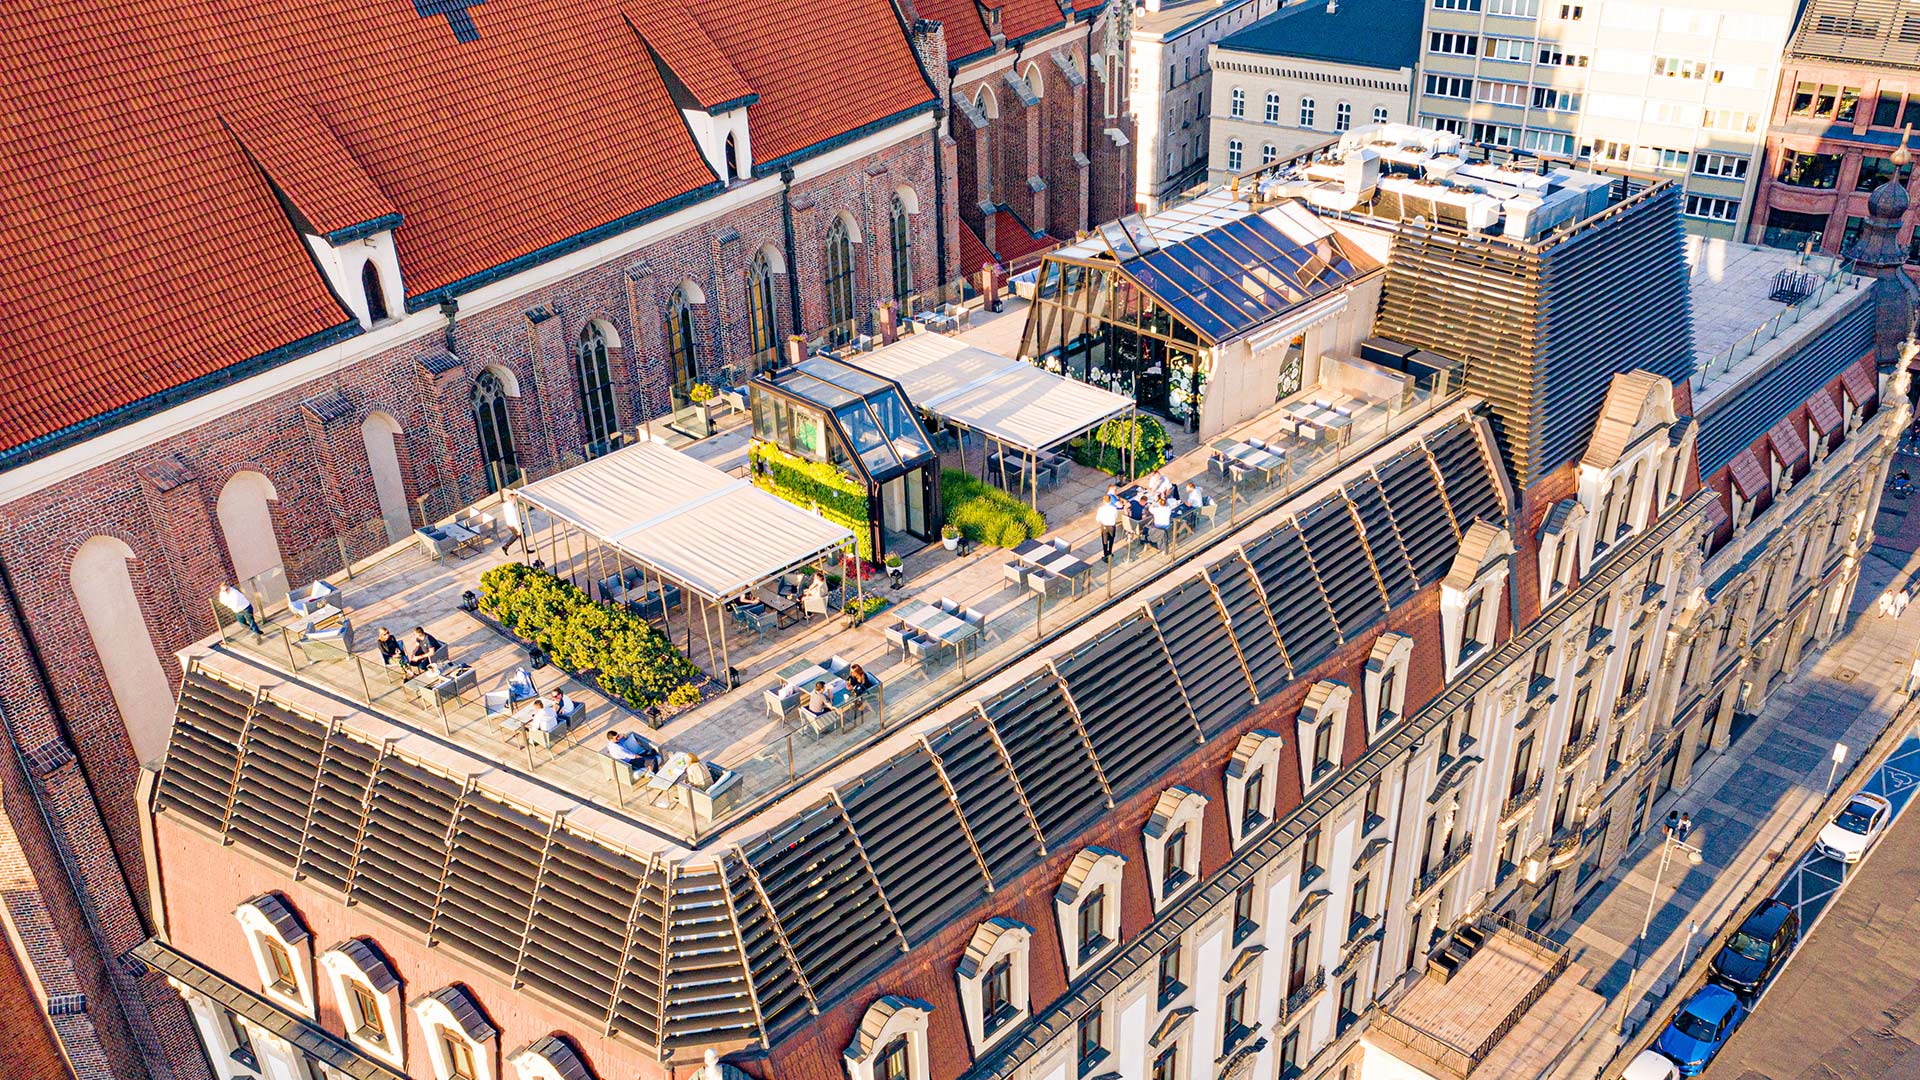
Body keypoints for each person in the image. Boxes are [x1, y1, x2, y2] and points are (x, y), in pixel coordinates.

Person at [1096, 485, 1121, 562]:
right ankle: (1110, 552)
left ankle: (1105, 555)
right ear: (1110, 501)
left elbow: (1097, 519)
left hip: (1104, 526)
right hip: (1112, 526)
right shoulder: (1113, 508)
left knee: (1104, 541)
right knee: (1111, 540)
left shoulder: (1101, 509)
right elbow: (1116, 516)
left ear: (1104, 501)